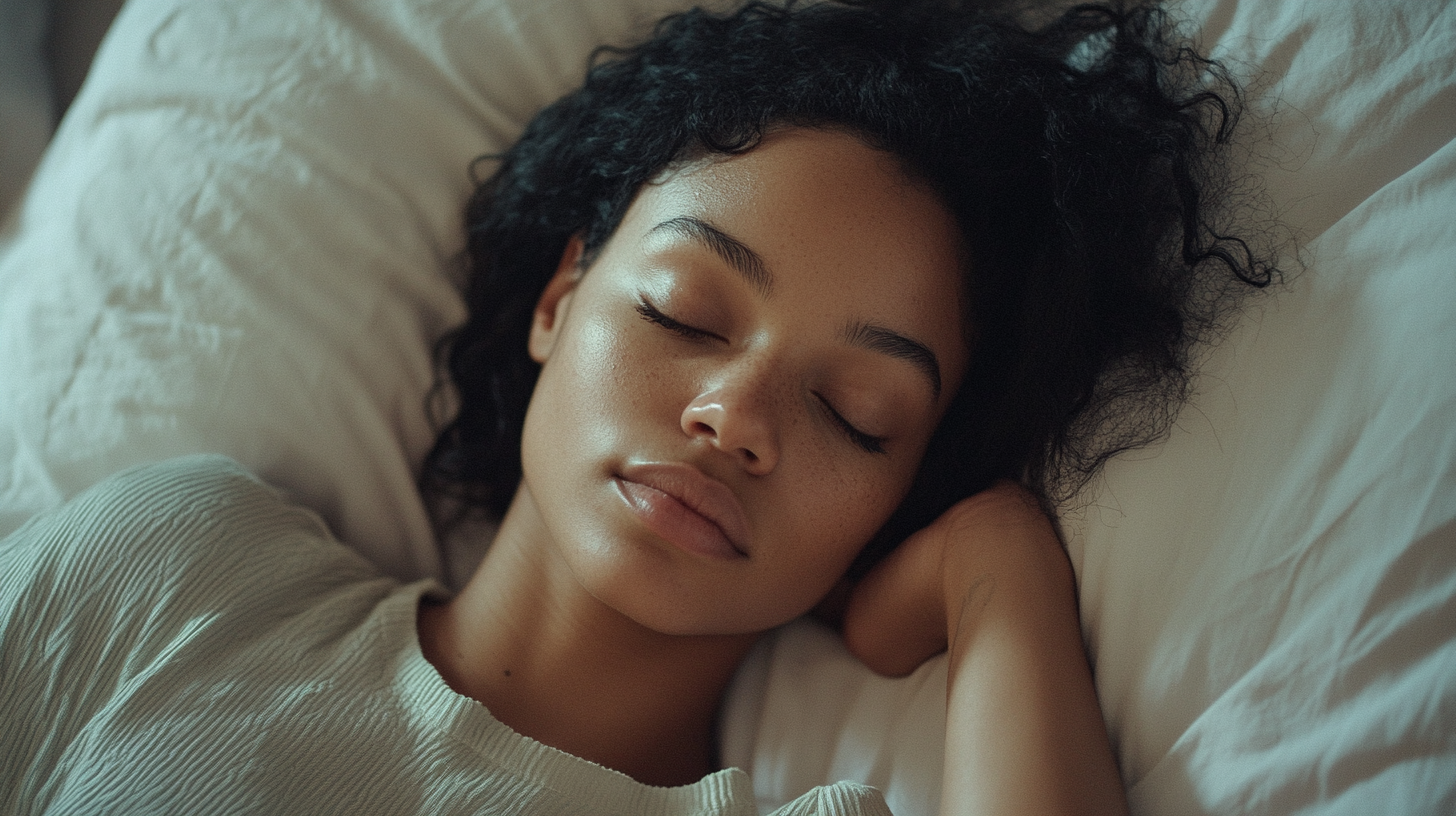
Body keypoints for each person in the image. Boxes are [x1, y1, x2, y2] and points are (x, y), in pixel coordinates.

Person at [0, 1, 1271, 814]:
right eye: (685, 312)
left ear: (900, 494)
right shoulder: (183, 566)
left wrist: (1000, 573)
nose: (737, 413)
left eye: (855, 411)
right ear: (563, 297)